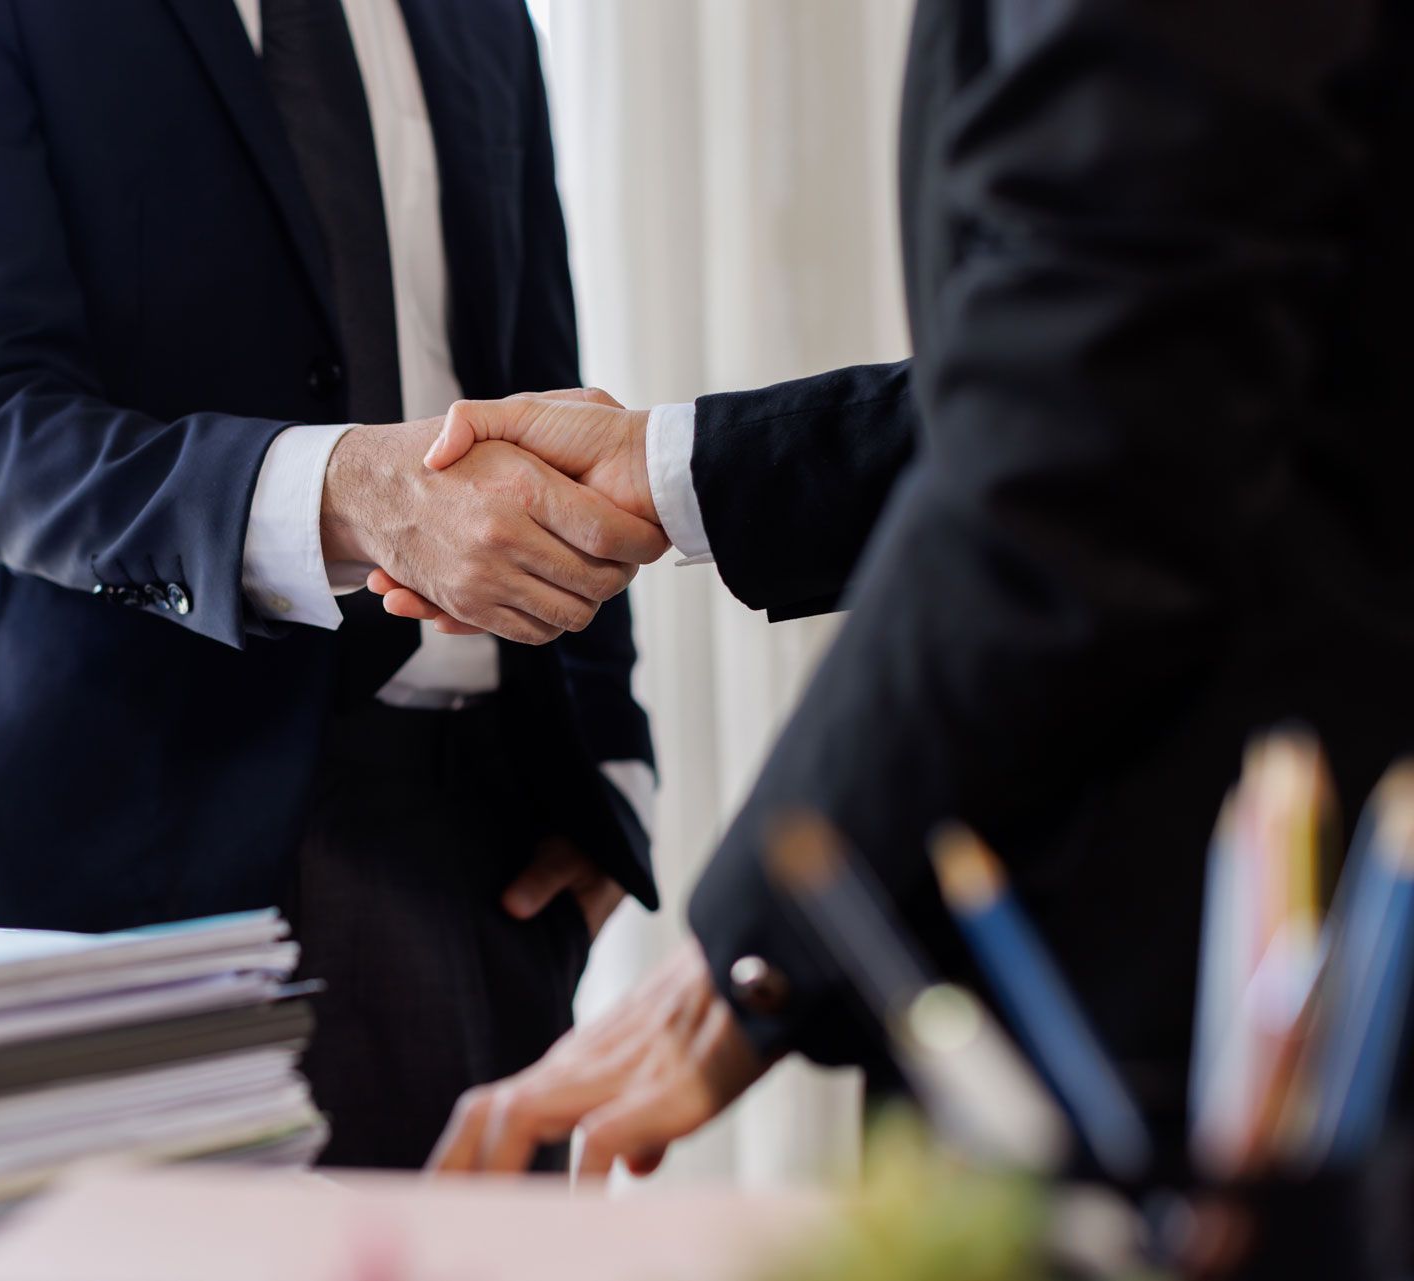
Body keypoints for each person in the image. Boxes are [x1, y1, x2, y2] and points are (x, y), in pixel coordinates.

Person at [392, 0, 1414, 1175]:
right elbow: (1172, 338)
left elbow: (1103, 426)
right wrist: (681, 469)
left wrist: (759, 944)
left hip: (1247, 1018)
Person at [0, 0, 668, 1169]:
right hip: (108, 859)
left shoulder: (486, 17)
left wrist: (612, 765)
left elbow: (549, 388)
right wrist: (347, 494)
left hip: (482, 860)